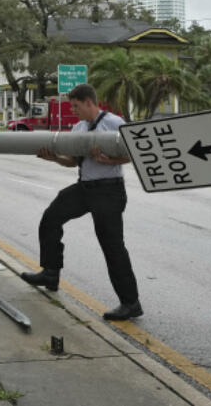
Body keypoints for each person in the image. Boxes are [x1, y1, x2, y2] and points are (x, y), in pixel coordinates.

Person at [20, 83, 143, 321]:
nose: (73, 111)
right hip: (85, 188)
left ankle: (131, 302)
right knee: (51, 218)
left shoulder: (115, 123)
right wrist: (54, 158)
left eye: (76, 106)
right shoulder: (79, 127)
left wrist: (108, 160)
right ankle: (51, 272)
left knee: (112, 246)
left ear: (89, 102)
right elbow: (73, 161)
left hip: (109, 190)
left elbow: (135, 154)